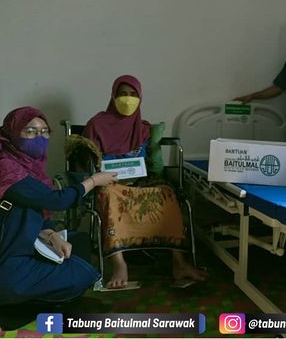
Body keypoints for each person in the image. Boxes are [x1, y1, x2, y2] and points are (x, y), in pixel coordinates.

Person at [0, 107, 118, 335]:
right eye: (30, 131)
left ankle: (15, 306)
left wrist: (52, 235)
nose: (40, 137)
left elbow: (34, 209)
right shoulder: (4, 168)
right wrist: (93, 181)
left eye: (44, 132)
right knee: (83, 275)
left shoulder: (25, 166)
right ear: (12, 133)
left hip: (16, 247)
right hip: (1, 265)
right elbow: (55, 200)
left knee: (79, 242)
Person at [83, 75, 207, 289]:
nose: (127, 99)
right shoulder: (96, 125)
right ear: (113, 96)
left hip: (139, 180)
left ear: (140, 98)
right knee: (109, 196)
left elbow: (146, 163)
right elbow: (85, 160)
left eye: (133, 95)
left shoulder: (142, 129)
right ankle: (119, 264)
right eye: (122, 94)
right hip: (109, 183)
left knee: (166, 192)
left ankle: (180, 263)